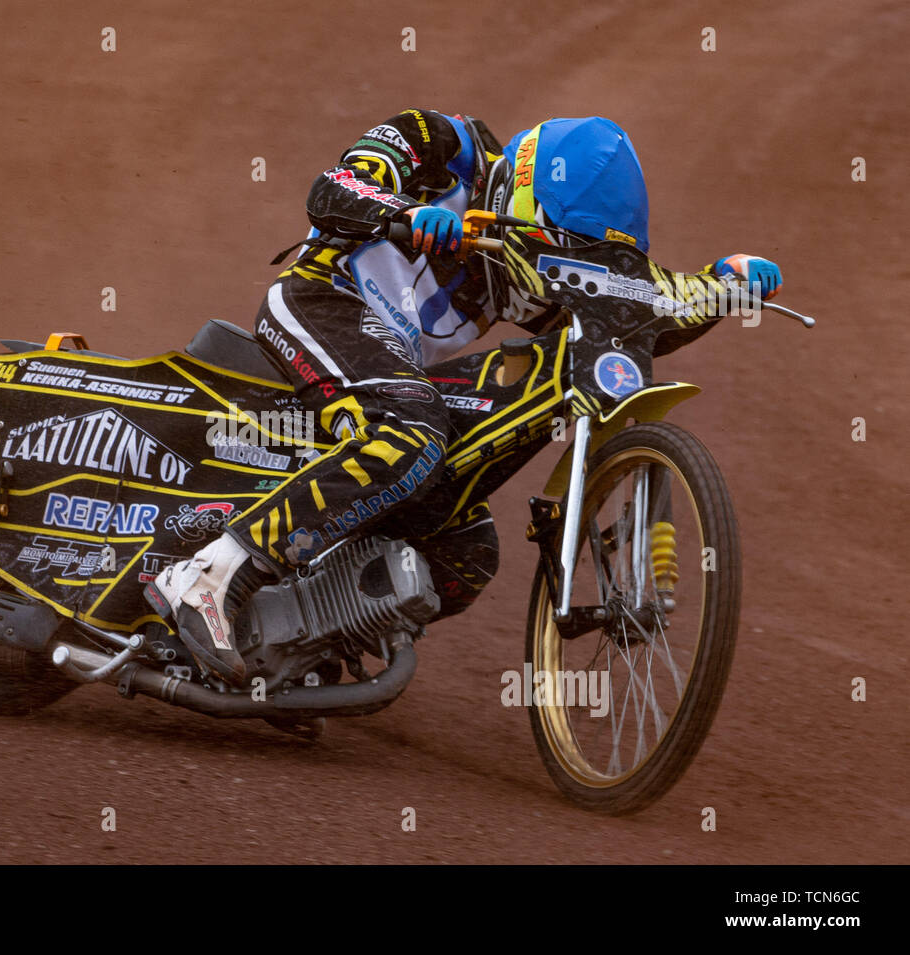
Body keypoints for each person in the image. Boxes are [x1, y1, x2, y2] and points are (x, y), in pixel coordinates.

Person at [145, 110, 782, 687]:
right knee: (413, 435)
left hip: (388, 369)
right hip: (323, 302)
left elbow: (630, 317)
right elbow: (330, 191)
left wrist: (718, 288)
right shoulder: (439, 143)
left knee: (466, 550)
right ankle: (209, 576)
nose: (554, 264)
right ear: (519, 197)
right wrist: (403, 214)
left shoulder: (534, 256)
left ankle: (294, 643)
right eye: (552, 243)